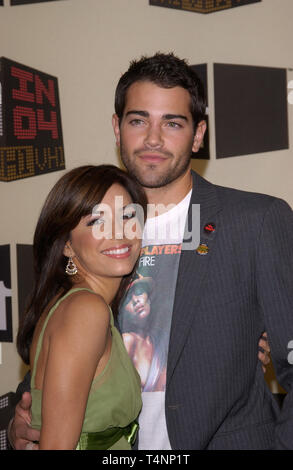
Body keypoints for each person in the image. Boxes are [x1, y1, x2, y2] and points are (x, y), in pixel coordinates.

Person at [9, 53, 279, 450]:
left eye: (172, 123)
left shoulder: (255, 221)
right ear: (117, 128)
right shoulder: (89, 225)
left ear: (199, 134)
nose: (153, 139)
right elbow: (61, 347)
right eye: (138, 121)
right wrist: (27, 414)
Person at [15, 164, 147, 450]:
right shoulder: (85, 310)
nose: (120, 232)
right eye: (97, 221)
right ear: (67, 246)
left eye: (128, 216)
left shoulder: (74, 304)